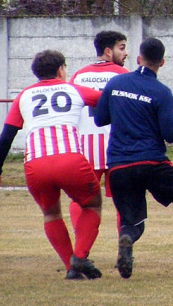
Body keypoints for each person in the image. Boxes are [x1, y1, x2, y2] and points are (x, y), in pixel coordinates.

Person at [95, 37, 173, 279]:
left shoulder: (115, 83)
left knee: (132, 220)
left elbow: (99, 119)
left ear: (138, 59)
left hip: (118, 165)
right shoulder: (161, 92)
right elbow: (171, 134)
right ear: (162, 62)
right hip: (151, 162)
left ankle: (127, 237)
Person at [0, 50, 104, 280]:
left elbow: (6, 135)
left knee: (50, 214)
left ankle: (71, 268)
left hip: (36, 164)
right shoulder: (72, 89)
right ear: (61, 70)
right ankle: (79, 256)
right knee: (92, 204)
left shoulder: (24, 96)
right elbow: (105, 99)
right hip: (70, 159)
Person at [69, 30, 129, 234]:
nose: (125, 53)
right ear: (107, 51)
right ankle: (124, 245)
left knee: (81, 200)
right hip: (117, 147)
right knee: (123, 199)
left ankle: (80, 248)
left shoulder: (78, 75)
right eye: (121, 48)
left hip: (86, 148)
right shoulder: (123, 75)